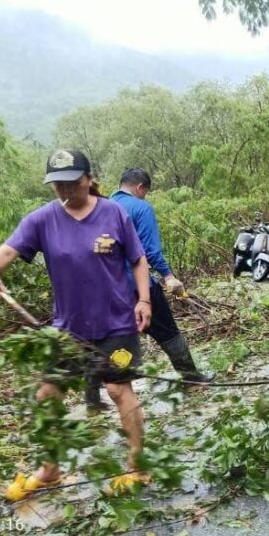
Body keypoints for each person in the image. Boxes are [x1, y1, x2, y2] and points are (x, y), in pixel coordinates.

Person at [0, 149, 151, 500]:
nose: (65, 190)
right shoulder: (42, 220)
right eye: (58, 184)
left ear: (89, 179)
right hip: (68, 330)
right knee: (47, 395)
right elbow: (7, 251)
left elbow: (138, 260)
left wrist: (144, 300)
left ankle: (138, 465)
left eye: (72, 182)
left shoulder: (114, 213)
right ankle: (50, 469)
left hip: (116, 325)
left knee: (119, 391)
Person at [82, 168, 213, 411]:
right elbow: (149, 251)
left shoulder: (104, 206)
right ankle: (191, 378)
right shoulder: (141, 208)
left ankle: (92, 399)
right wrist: (169, 276)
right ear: (141, 188)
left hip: (105, 289)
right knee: (167, 330)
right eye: (146, 192)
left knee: (102, 341)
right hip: (136, 285)